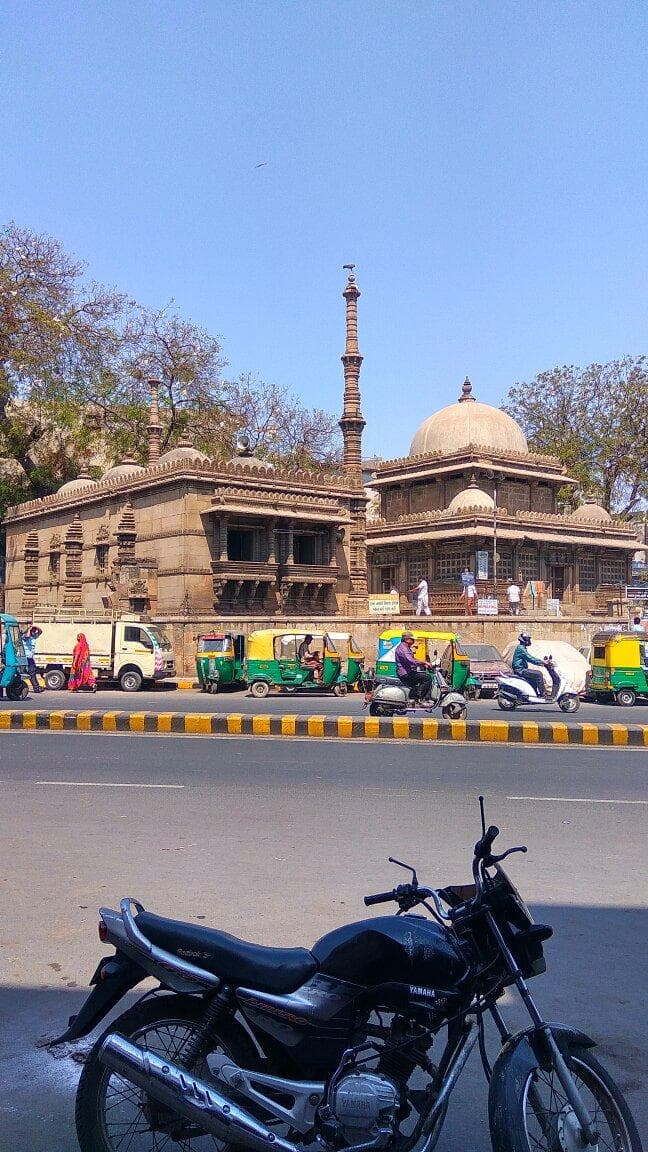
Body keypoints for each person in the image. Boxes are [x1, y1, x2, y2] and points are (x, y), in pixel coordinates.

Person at [394, 631, 432, 702]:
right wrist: (424, 662)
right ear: (407, 640)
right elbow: (410, 660)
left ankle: (415, 696)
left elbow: (413, 659)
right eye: (412, 639)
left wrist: (423, 663)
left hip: (407, 672)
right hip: (405, 674)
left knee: (422, 676)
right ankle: (420, 698)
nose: (414, 641)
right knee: (427, 678)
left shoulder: (406, 647)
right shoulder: (403, 648)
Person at [511, 632, 547, 698]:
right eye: (527, 639)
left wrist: (541, 663)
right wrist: (542, 662)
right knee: (539, 674)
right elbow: (529, 658)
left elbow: (529, 658)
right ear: (523, 640)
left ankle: (534, 694)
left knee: (534, 678)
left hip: (521, 669)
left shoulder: (522, 648)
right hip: (520, 670)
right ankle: (543, 694)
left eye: (529, 639)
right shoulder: (521, 648)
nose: (529, 641)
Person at [21, 624, 44, 694]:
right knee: (30, 673)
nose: (34, 632)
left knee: (32, 673)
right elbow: (27, 636)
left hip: (30, 658)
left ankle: (36, 687)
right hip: (25, 658)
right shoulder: (24, 637)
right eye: (33, 631)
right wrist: (29, 628)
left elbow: (40, 632)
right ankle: (36, 688)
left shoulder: (33, 637)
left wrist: (35, 627)